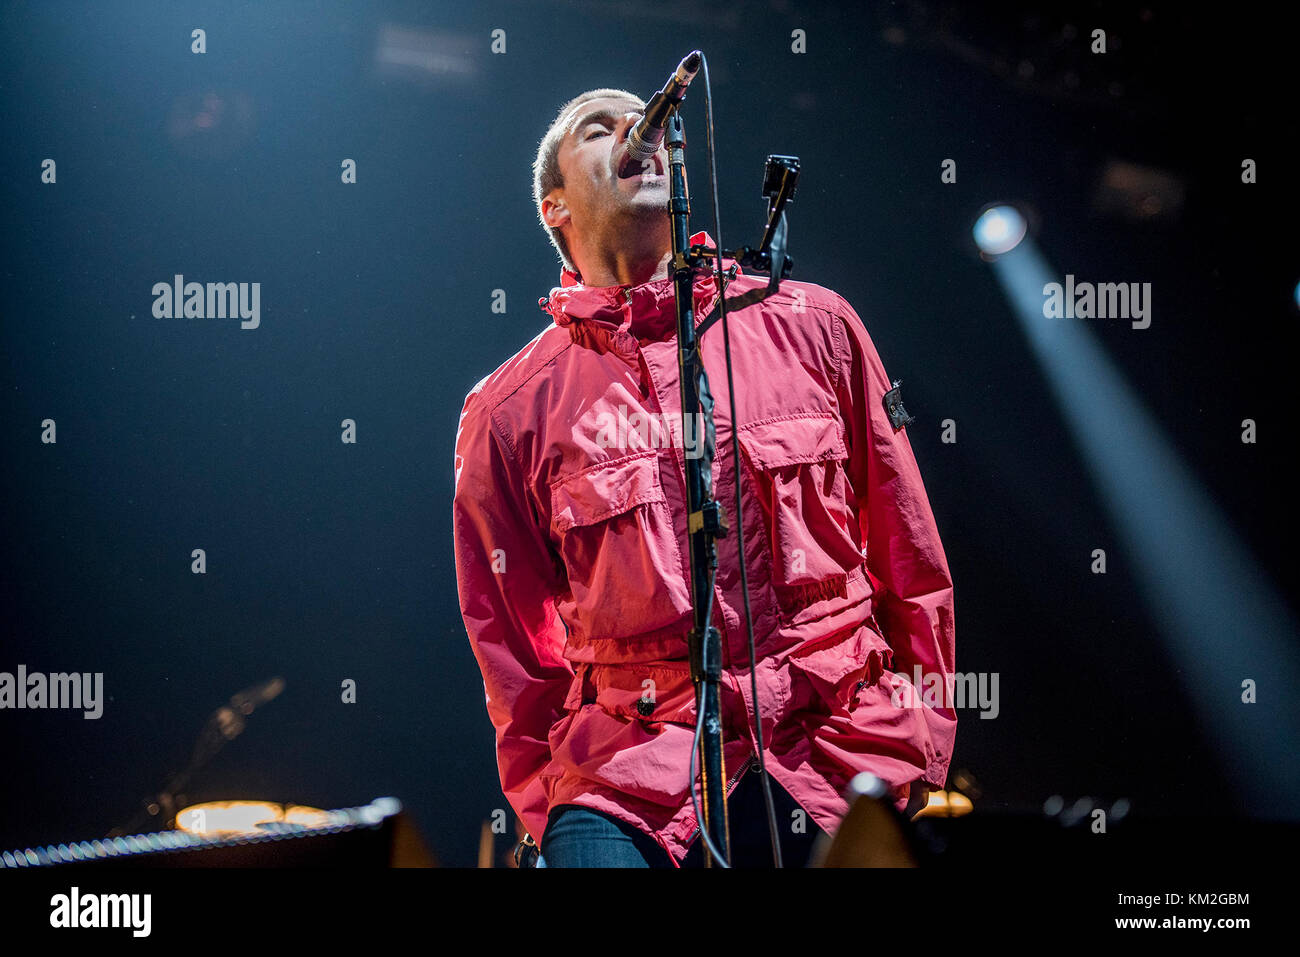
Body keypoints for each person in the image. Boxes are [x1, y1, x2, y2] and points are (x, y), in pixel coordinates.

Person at [452, 88, 956, 868]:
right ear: (554, 206)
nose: (637, 127)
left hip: (838, 742)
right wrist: (544, 797)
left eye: (647, 118)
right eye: (599, 127)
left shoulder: (819, 325)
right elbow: (512, 644)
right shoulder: (508, 409)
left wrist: (923, 734)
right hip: (626, 772)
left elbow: (908, 549)